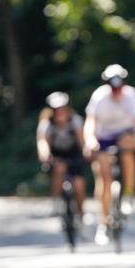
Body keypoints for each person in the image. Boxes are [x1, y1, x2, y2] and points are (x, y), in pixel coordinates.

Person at [83, 64, 135, 244]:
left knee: (127, 151)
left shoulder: (131, 95)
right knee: (104, 178)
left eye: (119, 87)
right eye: (113, 87)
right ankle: (104, 222)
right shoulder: (100, 96)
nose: (116, 91)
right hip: (104, 136)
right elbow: (90, 122)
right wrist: (90, 140)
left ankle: (128, 193)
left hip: (124, 134)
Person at [36, 92, 88, 221]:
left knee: (79, 185)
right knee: (59, 170)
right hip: (57, 155)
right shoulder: (46, 124)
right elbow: (43, 142)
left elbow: (82, 141)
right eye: (57, 110)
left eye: (63, 109)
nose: (60, 113)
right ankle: (56, 201)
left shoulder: (75, 121)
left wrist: (86, 151)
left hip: (74, 154)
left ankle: (81, 214)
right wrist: (45, 154)